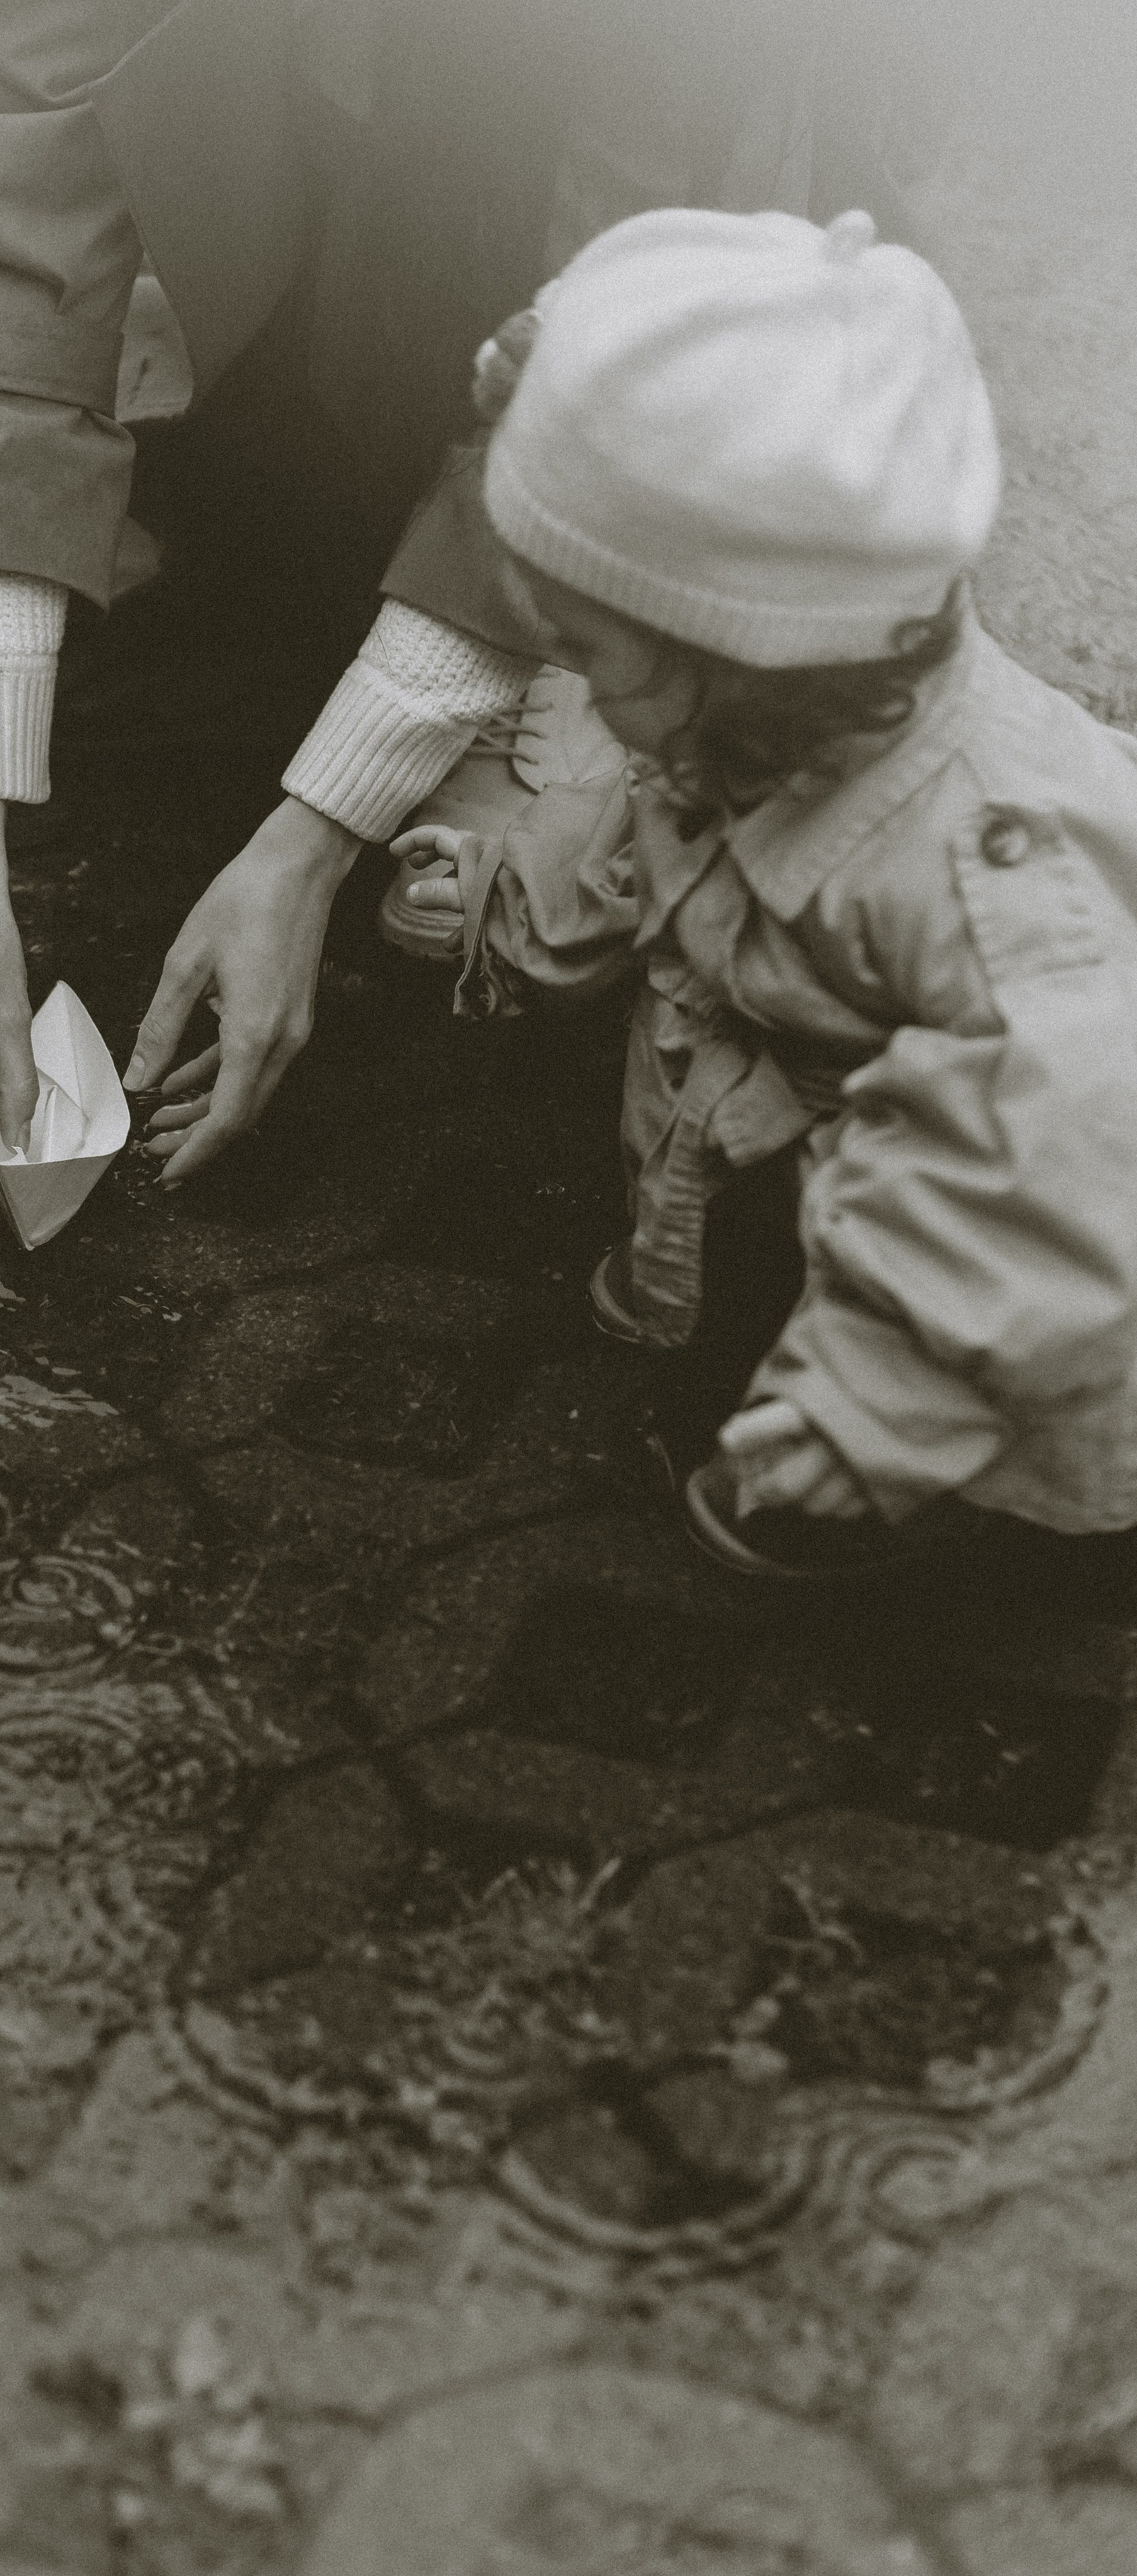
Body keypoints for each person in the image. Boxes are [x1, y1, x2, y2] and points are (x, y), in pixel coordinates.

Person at [0, 0, 960, 1180]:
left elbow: (592, 361)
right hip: (348, 151)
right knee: (123, 647)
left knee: (532, 864)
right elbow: (12, 257)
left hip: (661, 263)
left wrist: (317, 835)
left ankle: (581, 625)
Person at [390, 205, 1137, 1578]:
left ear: (731, 650)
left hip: (959, 1327)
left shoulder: (991, 873)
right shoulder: (734, 726)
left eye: (585, 652)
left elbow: (1047, 1192)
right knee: (728, 1340)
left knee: (871, 1537)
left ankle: (906, 1525)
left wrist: (866, 1415)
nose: (572, 686)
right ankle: (735, 1365)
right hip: (761, 1189)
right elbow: (647, 873)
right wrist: (506, 901)